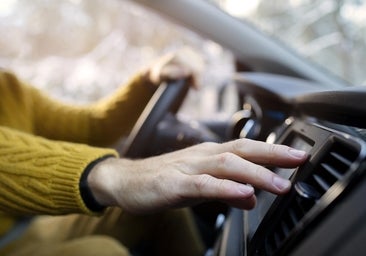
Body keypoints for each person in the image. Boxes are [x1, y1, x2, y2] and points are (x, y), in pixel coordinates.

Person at [0, 50, 308, 256]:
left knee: (161, 207)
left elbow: (89, 127)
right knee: (101, 252)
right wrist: (117, 175)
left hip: (23, 228)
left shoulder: (7, 87)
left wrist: (148, 81)